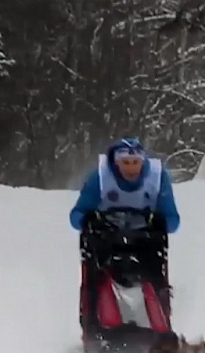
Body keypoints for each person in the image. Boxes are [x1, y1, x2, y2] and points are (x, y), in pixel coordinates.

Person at [71, 137, 181, 339]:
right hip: (105, 238)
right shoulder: (100, 178)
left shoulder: (157, 178)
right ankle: (95, 327)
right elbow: (76, 216)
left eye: (135, 163)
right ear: (116, 162)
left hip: (145, 240)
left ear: (143, 162)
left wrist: (160, 221)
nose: (131, 168)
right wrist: (89, 219)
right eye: (125, 163)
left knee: (155, 276)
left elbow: (173, 221)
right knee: (96, 274)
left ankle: (161, 329)